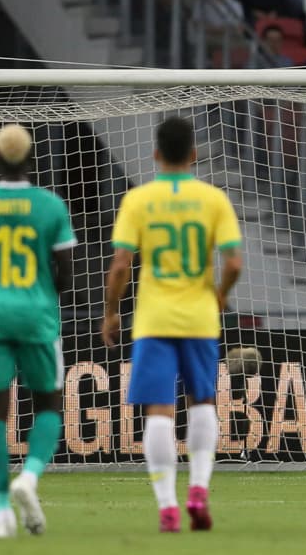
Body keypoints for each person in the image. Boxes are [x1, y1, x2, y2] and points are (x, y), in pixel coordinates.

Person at [102, 118, 244, 532]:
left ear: (157, 154)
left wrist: (111, 310)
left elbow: (121, 264)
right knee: (203, 401)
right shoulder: (213, 198)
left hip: (154, 318)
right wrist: (220, 294)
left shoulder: (139, 200)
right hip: (199, 317)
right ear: (195, 154)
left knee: (159, 411)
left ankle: (167, 506)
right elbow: (234, 261)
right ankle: (198, 490)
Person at [0, 125, 75, 539]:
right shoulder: (51, 205)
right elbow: (66, 274)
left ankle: (2, 512)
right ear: (31, 157)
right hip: (38, 315)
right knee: (50, 404)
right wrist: (40, 295)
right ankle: (30, 476)